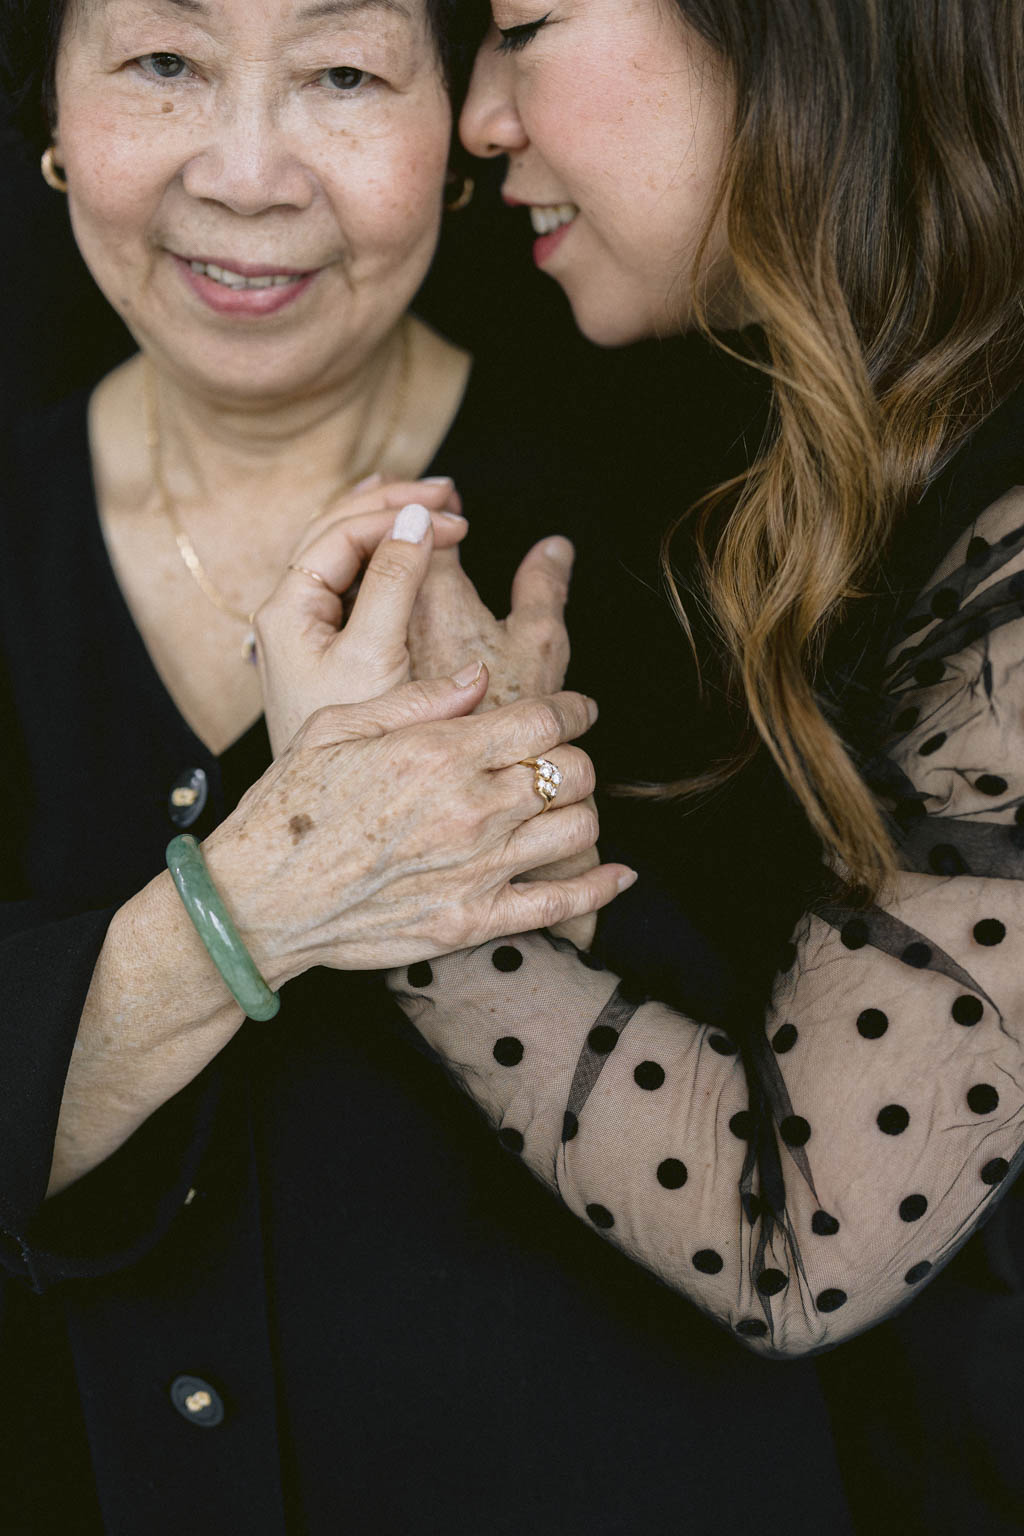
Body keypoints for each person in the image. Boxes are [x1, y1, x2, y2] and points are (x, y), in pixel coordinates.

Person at [0, 2, 662, 1530]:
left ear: (464, 134)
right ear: (49, 108)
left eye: (345, 76)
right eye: (164, 63)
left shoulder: (678, 531)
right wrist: (262, 895)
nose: (245, 175)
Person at [377, 0, 1024, 1524]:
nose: (478, 124)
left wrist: (391, 869)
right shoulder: (812, 441)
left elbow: (795, 1232)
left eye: (527, 24)